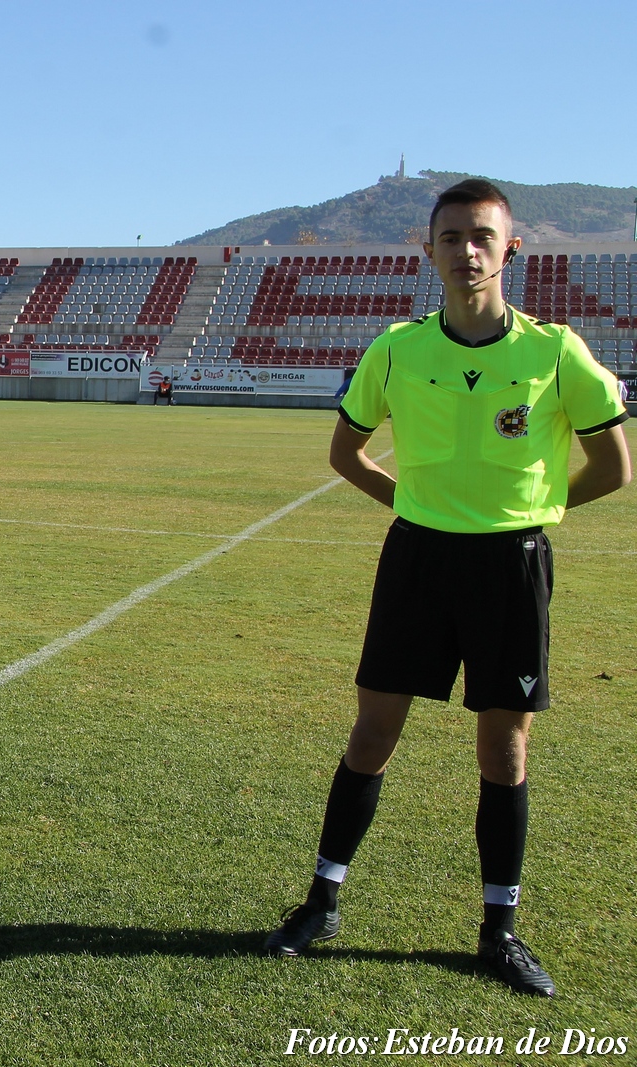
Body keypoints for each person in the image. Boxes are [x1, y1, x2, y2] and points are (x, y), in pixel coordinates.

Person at [264, 180, 631, 995]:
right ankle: (321, 901)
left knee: (504, 749)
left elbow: (614, 466)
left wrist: (531, 509)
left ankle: (499, 931)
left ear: (510, 250)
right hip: (418, 561)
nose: (467, 250)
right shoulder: (396, 349)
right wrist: (421, 508)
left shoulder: (555, 352)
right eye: (451, 236)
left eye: (481, 236)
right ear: (426, 249)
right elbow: (346, 453)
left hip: (512, 565)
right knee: (371, 734)